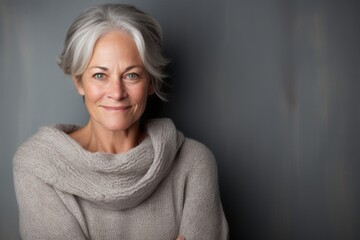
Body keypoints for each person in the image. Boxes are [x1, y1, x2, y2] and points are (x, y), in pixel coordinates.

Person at [13, 3, 228, 240]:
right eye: (99, 75)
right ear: (79, 82)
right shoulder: (39, 164)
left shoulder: (194, 162)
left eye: (131, 75)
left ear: (151, 82)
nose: (116, 92)